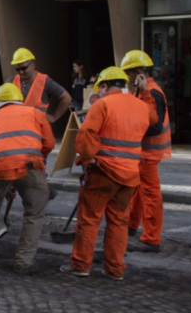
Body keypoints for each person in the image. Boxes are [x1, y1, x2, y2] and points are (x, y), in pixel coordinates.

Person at [60, 66, 157, 280]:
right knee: (119, 222)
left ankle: (81, 265)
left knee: (89, 220)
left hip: (103, 172)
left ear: (105, 86)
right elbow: (154, 117)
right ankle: (115, 269)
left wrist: (87, 161)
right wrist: (145, 92)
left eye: (99, 89)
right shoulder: (141, 106)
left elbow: (86, 135)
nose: (99, 94)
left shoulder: (103, 105)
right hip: (130, 176)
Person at [0, 83, 54, 275]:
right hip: (31, 164)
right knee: (34, 214)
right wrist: (35, 160)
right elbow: (49, 143)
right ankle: (23, 262)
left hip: (0, 166)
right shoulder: (35, 114)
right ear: (19, 100)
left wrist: (9, 179)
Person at [121, 50, 171, 254]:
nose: (127, 77)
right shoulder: (144, 91)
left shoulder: (152, 93)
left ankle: (151, 239)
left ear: (139, 72)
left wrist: (131, 126)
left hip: (148, 153)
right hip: (144, 153)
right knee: (140, 192)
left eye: (129, 73)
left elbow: (155, 126)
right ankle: (132, 226)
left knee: (150, 194)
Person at [8, 48, 72, 123]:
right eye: (18, 69)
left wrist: (54, 117)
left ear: (32, 65)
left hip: (38, 127)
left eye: (23, 68)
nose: (21, 72)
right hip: (18, 126)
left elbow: (67, 98)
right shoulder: (11, 82)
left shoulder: (45, 82)